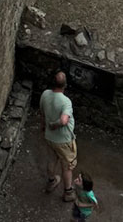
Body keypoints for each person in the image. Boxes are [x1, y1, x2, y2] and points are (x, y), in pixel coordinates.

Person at [38, 70, 78, 201]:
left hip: (49, 137)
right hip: (64, 140)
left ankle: (51, 181)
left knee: (51, 160)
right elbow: (64, 120)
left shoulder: (45, 94)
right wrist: (54, 124)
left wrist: (44, 127)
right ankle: (68, 192)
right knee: (67, 166)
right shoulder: (66, 102)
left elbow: (42, 113)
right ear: (65, 85)